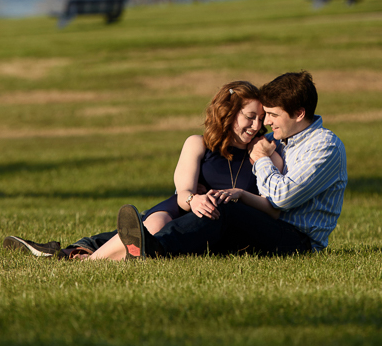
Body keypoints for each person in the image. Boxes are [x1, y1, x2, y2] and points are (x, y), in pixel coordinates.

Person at [3, 81, 283, 261]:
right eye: (250, 117)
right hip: (183, 208)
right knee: (154, 224)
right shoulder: (198, 144)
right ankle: (81, 255)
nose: (258, 125)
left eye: (262, 119)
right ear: (228, 113)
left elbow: (276, 202)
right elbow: (183, 189)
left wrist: (265, 158)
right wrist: (193, 199)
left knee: (151, 235)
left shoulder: (262, 152)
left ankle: (79, 257)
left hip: (214, 223)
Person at [115, 71, 347, 260]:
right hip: (264, 228)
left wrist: (262, 161)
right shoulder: (282, 138)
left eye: (272, 115)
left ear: (299, 114)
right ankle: (89, 248)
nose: (265, 123)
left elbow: (282, 197)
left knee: (224, 209)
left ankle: (158, 249)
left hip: (297, 241)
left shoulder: (324, 147)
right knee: (197, 214)